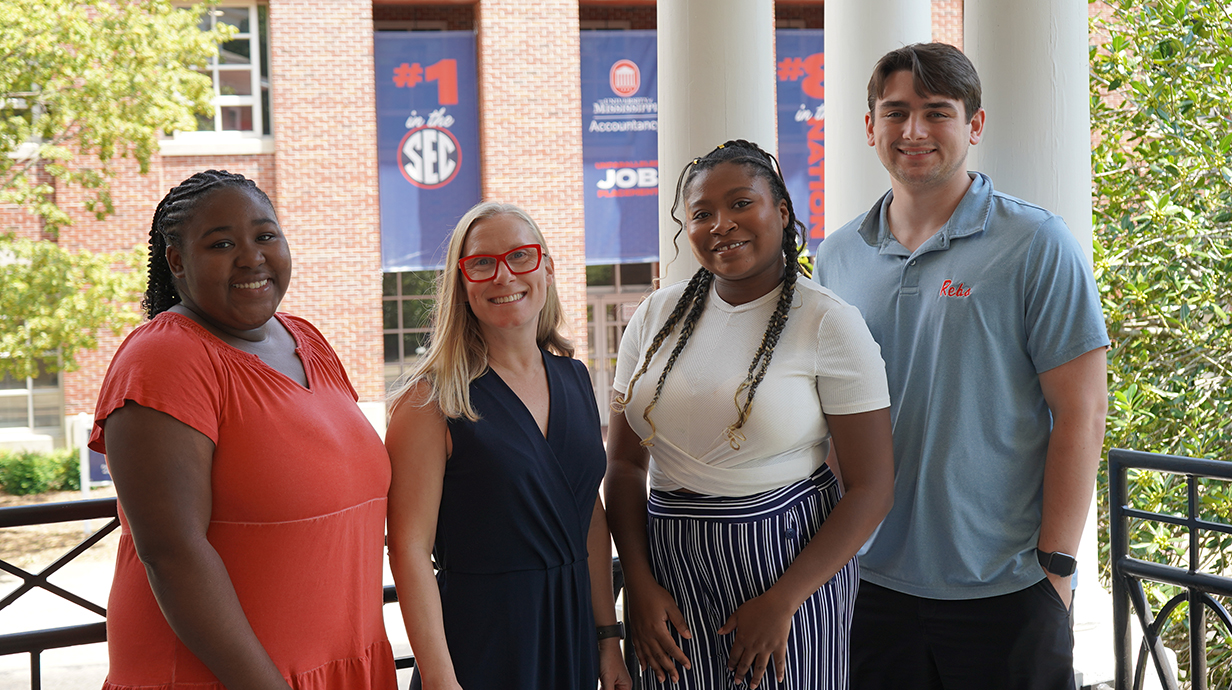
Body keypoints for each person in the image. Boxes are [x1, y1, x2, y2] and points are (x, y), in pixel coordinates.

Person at [812, 43, 1110, 690]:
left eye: (936, 112)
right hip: (869, 585)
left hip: (1007, 589)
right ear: (870, 128)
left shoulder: (1036, 245)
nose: (913, 131)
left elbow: (1081, 414)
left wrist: (1056, 568)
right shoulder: (837, 258)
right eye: (895, 112)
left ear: (974, 125)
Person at [89, 170, 397, 689]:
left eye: (265, 235)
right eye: (222, 243)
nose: (251, 256)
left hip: (343, 663)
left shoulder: (306, 339)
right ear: (177, 261)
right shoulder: (165, 359)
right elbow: (172, 553)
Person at [605, 140, 895, 690]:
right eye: (702, 213)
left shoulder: (828, 322)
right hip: (666, 565)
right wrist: (638, 585)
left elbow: (873, 486)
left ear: (781, 212)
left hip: (787, 567)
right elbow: (622, 466)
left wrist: (783, 601)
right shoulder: (654, 315)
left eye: (741, 203)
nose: (722, 224)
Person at [384, 202, 632, 690]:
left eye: (520, 256)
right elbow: (409, 549)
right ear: (462, 283)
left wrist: (608, 640)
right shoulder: (429, 399)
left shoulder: (575, 378)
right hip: (480, 643)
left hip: (573, 635)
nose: (504, 276)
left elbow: (589, 518)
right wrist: (438, 677)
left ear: (547, 267)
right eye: (481, 263)